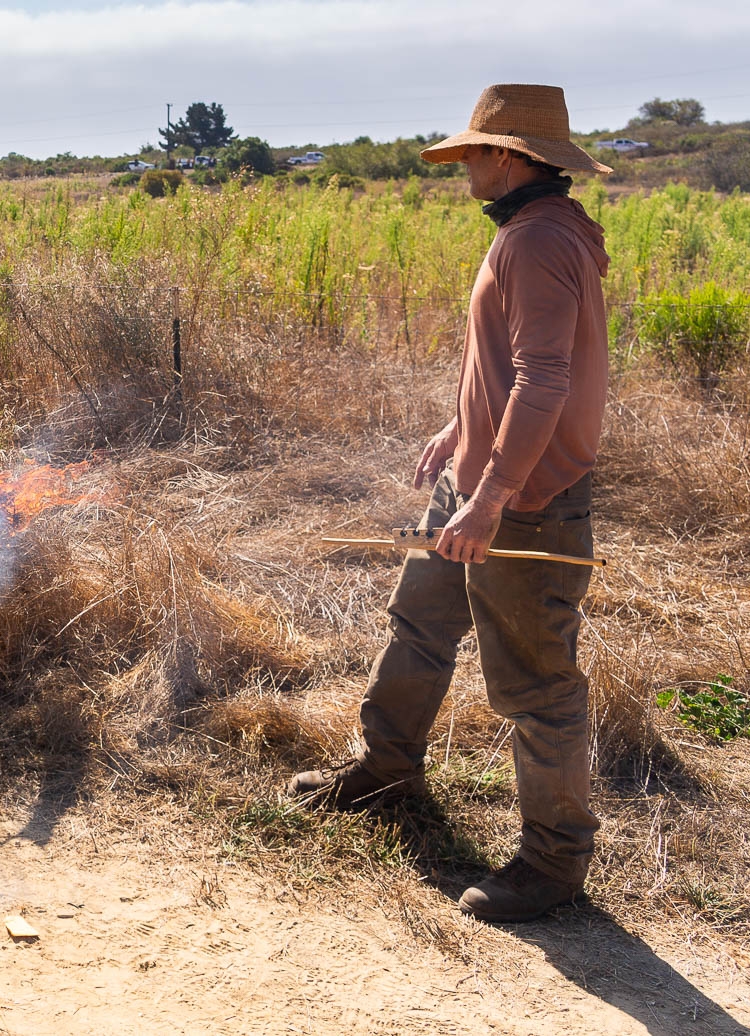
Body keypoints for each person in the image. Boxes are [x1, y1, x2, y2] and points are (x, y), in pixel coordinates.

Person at [287, 84, 613, 922]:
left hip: (524, 498)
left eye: (473, 151)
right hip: (478, 479)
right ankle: (385, 770)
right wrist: (456, 429)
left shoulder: (539, 242)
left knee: (537, 686)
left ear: (509, 157)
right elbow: (512, 367)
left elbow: (547, 379)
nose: (463, 163)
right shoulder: (534, 231)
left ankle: (553, 863)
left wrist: (493, 496)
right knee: (421, 625)